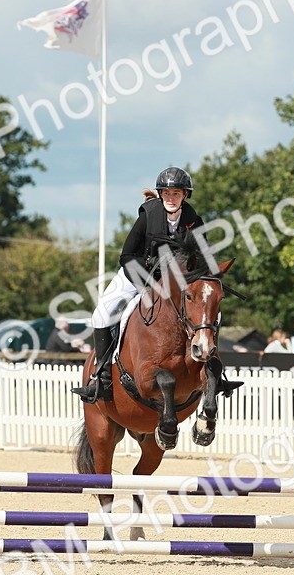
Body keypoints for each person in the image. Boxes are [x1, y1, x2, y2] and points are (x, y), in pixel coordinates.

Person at [72, 166, 205, 403]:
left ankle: (215, 373)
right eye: (166, 193)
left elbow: (203, 259)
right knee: (101, 314)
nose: (171, 198)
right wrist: (147, 283)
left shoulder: (193, 221)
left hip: (176, 285)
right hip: (138, 276)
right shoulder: (148, 215)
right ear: (160, 194)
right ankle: (102, 380)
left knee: (207, 310)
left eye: (176, 193)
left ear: (185, 195)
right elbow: (126, 255)